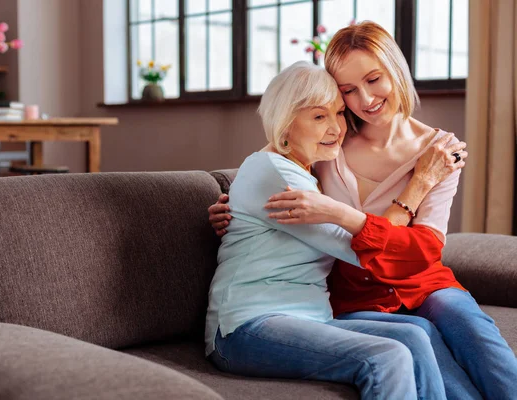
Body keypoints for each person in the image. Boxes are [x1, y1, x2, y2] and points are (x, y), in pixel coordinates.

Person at [210, 22, 517, 400]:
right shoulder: (329, 142)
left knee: (469, 325)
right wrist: (233, 204)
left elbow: (423, 250)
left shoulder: (440, 152)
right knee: (417, 342)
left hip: (418, 280)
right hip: (351, 292)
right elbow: (281, 152)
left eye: (374, 79)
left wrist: (421, 180)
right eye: (348, 91)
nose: (365, 99)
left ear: (395, 70)